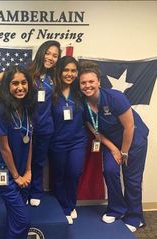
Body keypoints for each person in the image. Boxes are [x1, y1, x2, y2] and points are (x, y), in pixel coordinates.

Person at [78, 60, 149, 232]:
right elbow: (95, 131)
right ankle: (117, 209)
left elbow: (129, 127)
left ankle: (135, 216)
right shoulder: (83, 104)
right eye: (83, 82)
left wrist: (123, 152)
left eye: (91, 81)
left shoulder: (115, 97)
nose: (87, 86)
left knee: (131, 179)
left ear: (99, 82)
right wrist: (114, 149)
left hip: (133, 140)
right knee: (110, 170)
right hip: (111, 142)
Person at [0, 65, 35, 239]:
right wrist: (17, 177)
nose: (20, 87)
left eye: (24, 82)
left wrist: (29, 170)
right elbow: (4, 148)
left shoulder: (27, 108)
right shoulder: (1, 110)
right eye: (15, 83)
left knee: (16, 219)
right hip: (5, 172)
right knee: (23, 220)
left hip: (23, 170)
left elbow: (30, 140)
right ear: (7, 86)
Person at [49, 56, 88, 224]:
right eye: (66, 70)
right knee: (58, 176)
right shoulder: (51, 91)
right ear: (59, 71)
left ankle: (71, 205)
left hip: (77, 141)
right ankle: (63, 207)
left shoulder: (80, 91)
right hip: (56, 142)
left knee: (74, 173)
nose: (69, 74)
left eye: (73, 71)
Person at [28, 40, 62, 206]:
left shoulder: (55, 78)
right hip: (24, 128)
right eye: (48, 53)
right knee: (22, 161)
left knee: (39, 161)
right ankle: (23, 190)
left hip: (45, 128)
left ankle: (36, 191)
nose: (50, 57)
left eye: (55, 55)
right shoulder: (26, 72)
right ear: (41, 52)